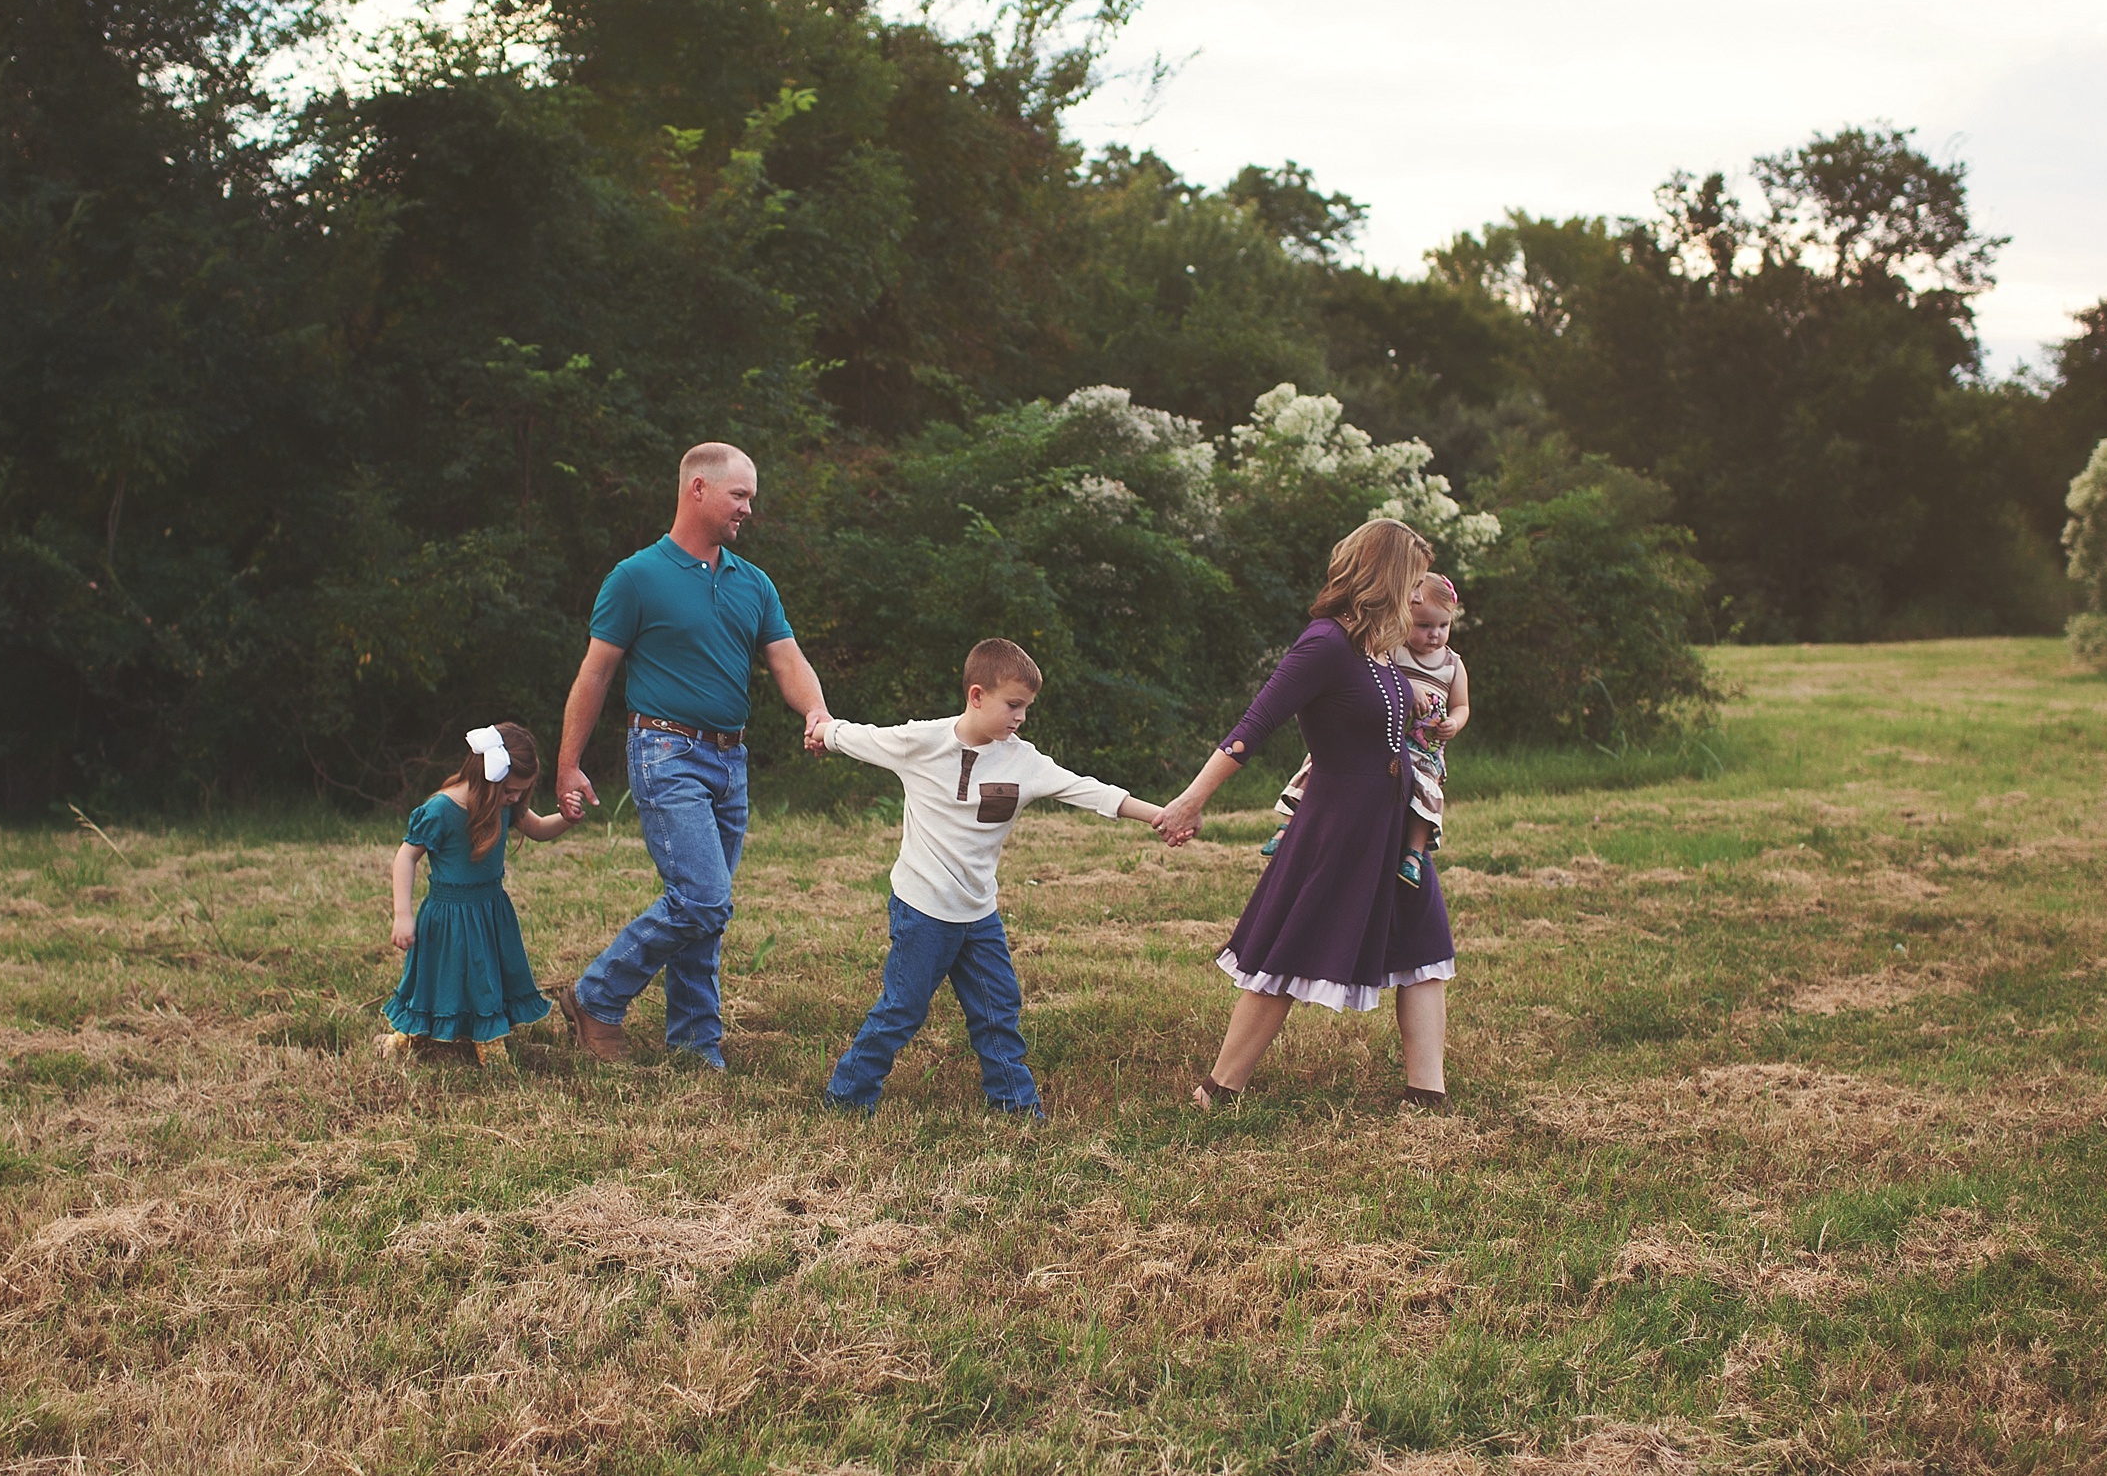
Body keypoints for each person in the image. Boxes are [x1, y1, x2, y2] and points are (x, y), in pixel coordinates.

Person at [1156, 518, 1456, 1111]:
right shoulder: (1325, 644)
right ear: (1387, 578)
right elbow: (1254, 725)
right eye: (1413, 582)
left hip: (1393, 829)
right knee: (1287, 952)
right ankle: (1218, 1091)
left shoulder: (1380, 651)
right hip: (1337, 826)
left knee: (1423, 949)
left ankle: (1428, 1094)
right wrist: (1192, 798)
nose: (1420, 597)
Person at [548, 443, 833, 1068]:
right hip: (664, 750)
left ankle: (696, 1043)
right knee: (704, 897)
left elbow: (787, 658)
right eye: (740, 496)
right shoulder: (635, 577)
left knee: (706, 907)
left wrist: (817, 712)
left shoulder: (752, 582)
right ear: (697, 490)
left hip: (730, 760)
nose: (748, 509)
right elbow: (594, 675)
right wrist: (567, 764)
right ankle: (597, 996)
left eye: (751, 498)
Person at [810, 638, 1167, 1116]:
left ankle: (1015, 1105)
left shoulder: (1024, 761)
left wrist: (1161, 816)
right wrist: (823, 731)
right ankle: (848, 1096)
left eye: (1027, 708)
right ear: (977, 695)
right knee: (902, 1009)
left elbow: (1090, 791)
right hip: (923, 909)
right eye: (1013, 705)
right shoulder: (923, 741)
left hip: (979, 912)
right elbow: (859, 737)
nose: (1020, 718)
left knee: (998, 1009)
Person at [382, 723, 579, 1066]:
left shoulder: (504, 802)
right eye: (511, 791)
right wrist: (402, 914)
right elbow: (406, 857)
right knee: (437, 978)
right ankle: (409, 1035)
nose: (515, 799)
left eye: (521, 792)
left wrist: (565, 818)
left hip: (489, 909)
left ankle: (486, 1034)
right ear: (485, 775)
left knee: (486, 973)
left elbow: (537, 828)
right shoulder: (441, 810)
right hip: (448, 915)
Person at [1258, 572, 1469, 888]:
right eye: (1424, 626)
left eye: (1443, 625)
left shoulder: (1453, 663)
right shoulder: (1394, 650)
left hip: (1423, 748)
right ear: (1405, 619)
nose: (1434, 635)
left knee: (1425, 793)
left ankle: (1413, 855)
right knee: (1320, 765)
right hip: (1379, 739)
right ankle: (1288, 827)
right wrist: (1408, 687)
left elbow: (1462, 705)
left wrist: (1456, 721)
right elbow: (1383, 678)